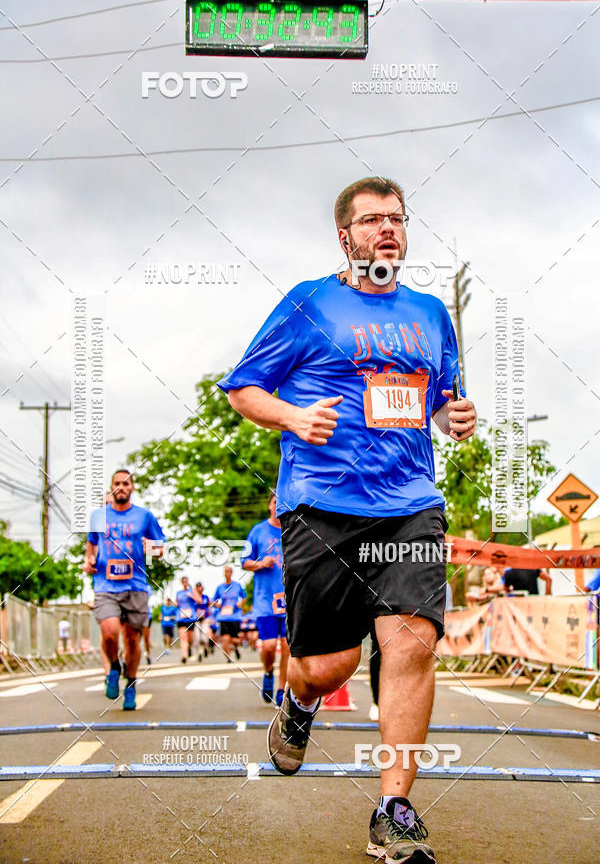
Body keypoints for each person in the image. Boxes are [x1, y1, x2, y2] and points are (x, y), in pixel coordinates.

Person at [218, 176, 477, 863]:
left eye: (396, 219)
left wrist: (454, 418)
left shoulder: (429, 313)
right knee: (328, 665)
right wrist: (294, 416)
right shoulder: (310, 304)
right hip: (323, 504)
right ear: (345, 236)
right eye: (371, 221)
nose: (387, 230)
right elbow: (243, 387)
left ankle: (395, 808)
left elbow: (438, 400)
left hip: (410, 505)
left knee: (414, 643)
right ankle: (299, 703)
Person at [84, 469, 165, 710]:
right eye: (117, 483)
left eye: (126, 483)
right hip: (105, 585)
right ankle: (114, 667)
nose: (121, 487)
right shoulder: (99, 515)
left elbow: (161, 547)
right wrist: (89, 561)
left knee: (131, 640)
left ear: (132, 488)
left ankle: (130, 683)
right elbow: (91, 544)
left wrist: (152, 546)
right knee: (109, 632)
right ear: (112, 488)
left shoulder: (144, 516)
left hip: (136, 586)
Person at [242, 494, 289, 706]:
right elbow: (244, 562)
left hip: (290, 599)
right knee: (269, 646)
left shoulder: (294, 529)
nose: (278, 506)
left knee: (288, 646)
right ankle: (268, 672)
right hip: (265, 599)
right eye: (274, 502)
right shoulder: (257, 531)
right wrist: (261, 563)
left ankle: (282, 690)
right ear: (269, 506)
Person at [212, 565, 246, 662]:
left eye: (229, 571)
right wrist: (218, 605)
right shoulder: (220, 588)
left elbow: (244, 597)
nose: (227, 573)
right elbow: (214, 601)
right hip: (223, 617)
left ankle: (235, 647)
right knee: (225, 639)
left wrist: (240, 603)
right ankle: (228, 658)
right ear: (224, 573)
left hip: (235, 617)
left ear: (232, 573)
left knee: (235, 639)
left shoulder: (237, 585)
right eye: (225, 572)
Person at [176, 576, 199, 664]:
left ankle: (189, 648)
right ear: (182, 582)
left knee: (190, 639)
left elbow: (199, 600)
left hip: (191, 618)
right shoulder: (179, 593)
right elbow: (177, 604)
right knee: (183, 638)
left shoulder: (192, 591)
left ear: (188, 582)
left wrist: (192, 596)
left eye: (186, 581)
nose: (185, 582)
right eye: (183, 581)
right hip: (181, 617)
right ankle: (184, 656)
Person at [194, 581, 212, 660]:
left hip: (205, 619)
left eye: (200, 586)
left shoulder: (205, 597)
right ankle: (200, 653)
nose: (199, 588)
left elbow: (209, 606)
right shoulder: (193, 598)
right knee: (197, 637)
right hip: (196, 619)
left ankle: (205, 647)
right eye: (197, 587)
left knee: (204, 637)